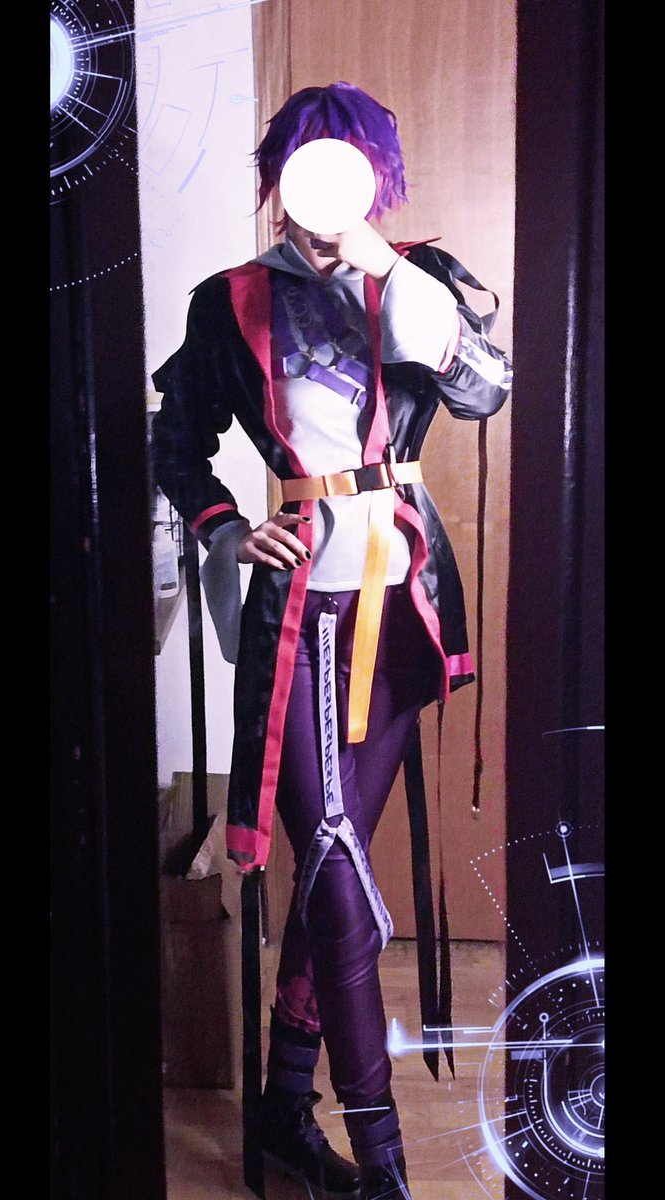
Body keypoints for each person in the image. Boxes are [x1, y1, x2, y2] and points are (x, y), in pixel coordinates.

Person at [151, 81, 512, 1200]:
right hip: (302, 612)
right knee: (340, 870)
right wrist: (225, 524)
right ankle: (383, 1161)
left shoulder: (420, 277)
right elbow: (176, 444)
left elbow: (486, 392)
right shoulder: (234, 300)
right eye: (302, 168)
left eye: (347, 167)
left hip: (400, 609)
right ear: (278, 181)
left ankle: (279, 1115)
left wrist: (384, 266)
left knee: (329, 874)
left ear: (375, 178)